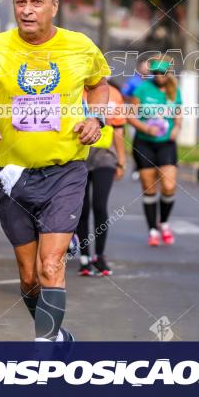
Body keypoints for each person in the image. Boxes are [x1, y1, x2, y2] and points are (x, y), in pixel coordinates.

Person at [0, 0, 110, 343]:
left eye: (36, 2)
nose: (27, 10)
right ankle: (55, 335)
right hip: (14, 175)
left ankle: (44, 352)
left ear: (54, 6)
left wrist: (96, 117)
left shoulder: (80, 47)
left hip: (66, 171)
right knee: (29, 278)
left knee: (51, 265)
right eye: (20, 2)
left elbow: (99, 85)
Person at [127, 59, 182, 247]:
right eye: (156, 73)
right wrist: (144, 128)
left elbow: (178, 113)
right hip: (144, 143)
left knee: (168, 185)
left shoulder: (174, 90)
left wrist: (177, 128)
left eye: (163, 73)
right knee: (149, 187)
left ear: (169, 74)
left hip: (166, 143)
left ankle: (164, 222)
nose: (159, 76)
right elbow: (130, 116)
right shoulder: (142, 89)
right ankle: (152, 230)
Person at [76, 81, 127, 276]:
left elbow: (119, 129)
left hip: (104, 157)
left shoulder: (113, 94)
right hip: (78, 155)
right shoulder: (73, 89)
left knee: (99, 205)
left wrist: (121, 161)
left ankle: (100, 255)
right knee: (82, 208)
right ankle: (84, 256)